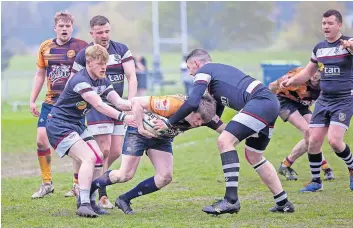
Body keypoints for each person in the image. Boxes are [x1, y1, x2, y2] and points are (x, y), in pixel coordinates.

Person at [154, 49, 295, 215]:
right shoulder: (217, 79)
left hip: (260, 102)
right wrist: (187, 126)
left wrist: (168, 122)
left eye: (189, 68)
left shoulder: (205, 70)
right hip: (267, 104)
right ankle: (283, 202)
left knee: (224, 141)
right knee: (254, 156)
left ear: (196, 64)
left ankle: (231, 200)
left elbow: (192, 101)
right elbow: (214, 117)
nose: (191, 73)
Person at [89, 93, 225, 214]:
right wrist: (141, 128)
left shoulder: (204, 115)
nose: (199, 123)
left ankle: (124, 199)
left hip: (161, 138)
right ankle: (87, 190)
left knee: (165, 176)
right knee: (124, 175)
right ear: (191, 109)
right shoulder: (173, 104)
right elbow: (136, 102)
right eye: (198, 119)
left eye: (203, 122)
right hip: (138, 132)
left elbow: (227, 131)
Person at [46, 44, 135, 217]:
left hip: (77, 125)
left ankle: (90, 201)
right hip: (59, 125)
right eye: (100, 63)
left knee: (99, 159)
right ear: (88, 62)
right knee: (88, 158)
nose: (104, 67)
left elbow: (118, 102)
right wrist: (124, 118)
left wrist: (141, 105)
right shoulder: (81, 81)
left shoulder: (102, 80)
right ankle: (84, 204)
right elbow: (99, 105)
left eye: (106, 63)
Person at [68, 15, 138, 207]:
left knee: (115, 151)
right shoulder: (84, 54)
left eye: (107, 31)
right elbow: (72, 82)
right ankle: (101, 195)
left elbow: (131, 77)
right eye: (100, 32)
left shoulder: (121, 50)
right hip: (96, 105)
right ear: (92, 33)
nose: (104, 35)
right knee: (104, 149)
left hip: (118, 104)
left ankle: (87, 180)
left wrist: (131, 103)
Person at [280, 9, 353, 192]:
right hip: (324, 100)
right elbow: (307, 72)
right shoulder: (319, 48)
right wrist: (291, 81)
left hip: (344, 99)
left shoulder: (347, 44)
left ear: (339, 25)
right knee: (313, 140)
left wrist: (350, 46)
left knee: (335, 142)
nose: (326, 27)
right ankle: (316, 182)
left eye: (330, 23)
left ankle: (352, 168)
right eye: (324, 23)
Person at [29, 11, 88, 199]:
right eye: (61, 26)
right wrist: (32, 99)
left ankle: (77, 184)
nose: (64, 29)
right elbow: (39, 75)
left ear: (72, 27)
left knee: (75, 143)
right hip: (51, 102)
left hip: (73, 104)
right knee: (40, 140)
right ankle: (47, 183)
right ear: (55, 28)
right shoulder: (45, 47)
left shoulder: (81, 47)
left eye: (68, 26)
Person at [269, 67, 334, 181]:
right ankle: (324, 166)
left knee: (315, 133)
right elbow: (272, 86)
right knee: (308, 131)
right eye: (314, 70)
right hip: (285, 102)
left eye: (319, 71)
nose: (315, 74)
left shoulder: (328, 82)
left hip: (302, 103)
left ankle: (285, 165)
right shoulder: (298, 75)